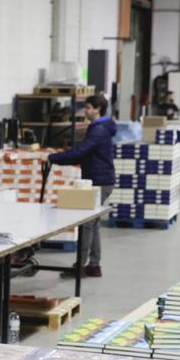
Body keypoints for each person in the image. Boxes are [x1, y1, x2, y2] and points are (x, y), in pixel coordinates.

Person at [47, 93, 116, 278]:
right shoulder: (100, 127)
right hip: (100, 179)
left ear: (97, 109)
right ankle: (94, 265)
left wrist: (54, 158)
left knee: (86, 223)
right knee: (93, 224)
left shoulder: (99, 130)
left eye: (87, 107)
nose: (85, 111)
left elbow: (82, 152)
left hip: (99, 181)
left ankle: (81, 266)